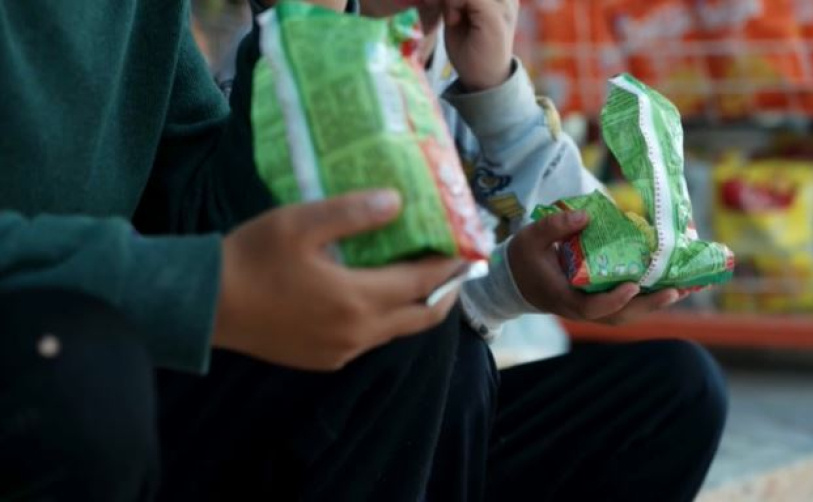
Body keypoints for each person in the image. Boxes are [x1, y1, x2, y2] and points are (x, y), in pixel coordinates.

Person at [0, 1, 726, 502]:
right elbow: (220, 264)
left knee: (671, 396)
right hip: (73, 383)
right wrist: (206, 288)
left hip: (162, 378)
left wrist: (342, 39)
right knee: (78, 367)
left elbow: (205, 210)